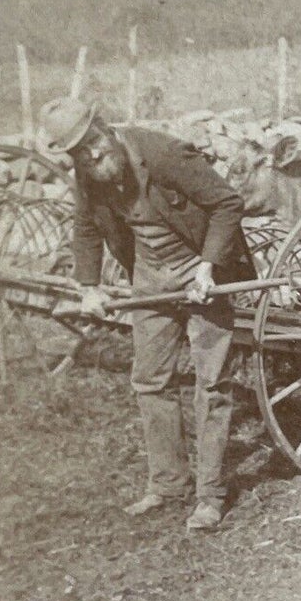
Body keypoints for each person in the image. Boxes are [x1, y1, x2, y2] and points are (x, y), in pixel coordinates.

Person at [38, 96, 255, 532]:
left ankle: (210, 496)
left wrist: (208, 267)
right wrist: (89, 286)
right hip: (150, 275)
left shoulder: (162, 153)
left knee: (211, 383)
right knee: (150, 381)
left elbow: (227, 203)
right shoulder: (88, 173)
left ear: (104, 127)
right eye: (80, 153)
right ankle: (169, 483)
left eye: (93, 145)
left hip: (201, 267)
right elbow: (85, 225)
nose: (92, 157)